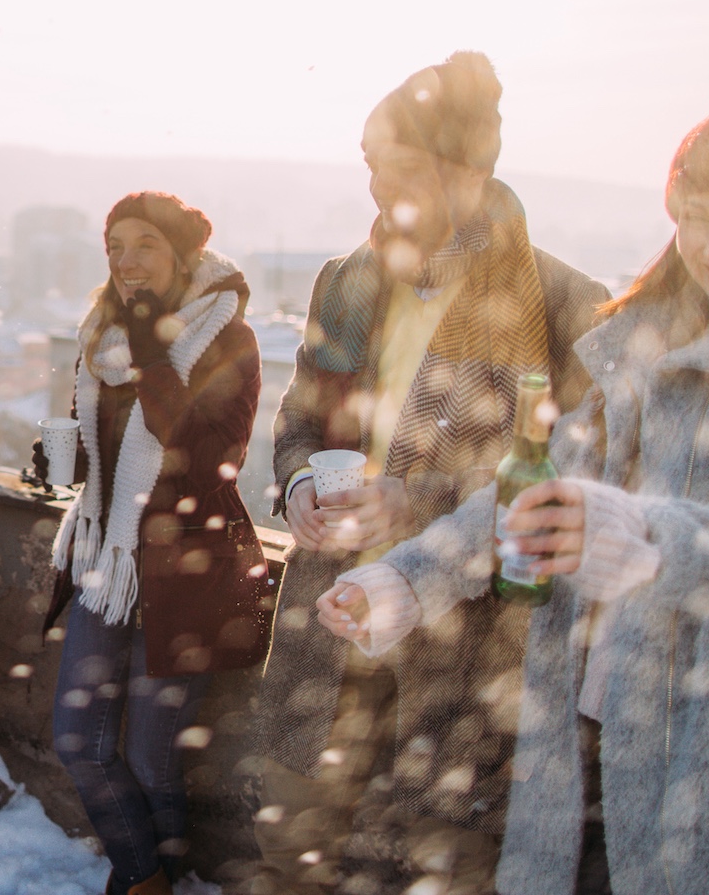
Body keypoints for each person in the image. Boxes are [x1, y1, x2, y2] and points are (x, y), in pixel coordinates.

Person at [320, 60, 709, 895]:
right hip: (582, 761)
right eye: (696, 216)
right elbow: (533, 493)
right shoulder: (645, 345)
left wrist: (643, 539)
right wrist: (407, 580)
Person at [250, 52, 606, 895]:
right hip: (327, 616)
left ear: (471, 170)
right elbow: (300, 418)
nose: (378, 188)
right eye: (371, 165)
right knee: (293, 836)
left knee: (441, 856)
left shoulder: (564, 304)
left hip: (464, 645)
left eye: (401, 167)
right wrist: (301, 484)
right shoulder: (345, 284)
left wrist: (420, 503)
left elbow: (564, 473)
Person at [31, 191, 265, 895]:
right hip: (108, 558)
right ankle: (146, 876)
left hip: (188, 568)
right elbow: (91, 452)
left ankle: (150, 880)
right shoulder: (100, 335)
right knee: (79, 740)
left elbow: (210, 462)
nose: (126, 262)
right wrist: (55, 462)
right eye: (114, 248)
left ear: (182, 254)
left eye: (144, 246)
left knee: (151, 756)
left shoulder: (228, 339)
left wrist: (154, 357)